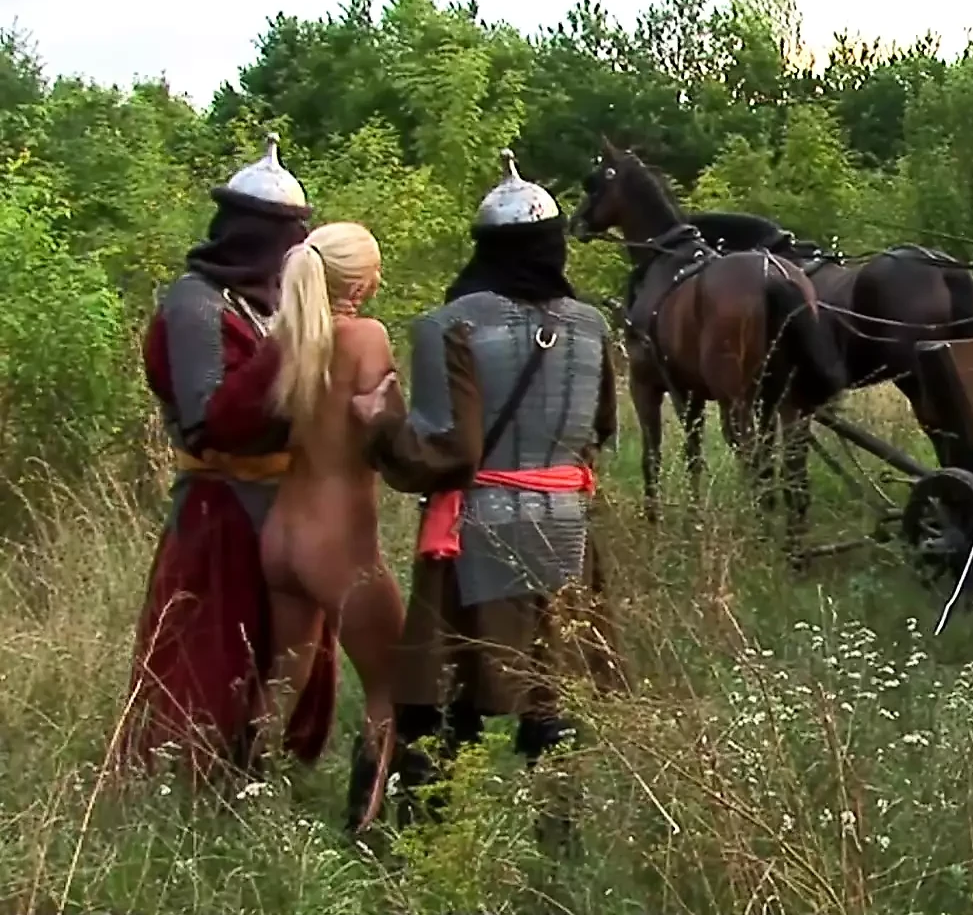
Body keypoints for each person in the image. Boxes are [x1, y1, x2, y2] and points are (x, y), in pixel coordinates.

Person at [352, 150, 623, 840]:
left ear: (486, 247)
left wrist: (379, 429)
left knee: (444, 698)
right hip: (568, 530)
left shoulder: (452, 323)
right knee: (553, 697)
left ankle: (426, 843)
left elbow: (449, 451)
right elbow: (598, 433)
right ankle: (558, 843)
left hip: (478, 531)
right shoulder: (593, 327)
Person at [119, 133, 336, 780]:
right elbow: (211, 420)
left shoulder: (267, 301)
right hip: (219, 510)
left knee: (282, 657)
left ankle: (260, 777)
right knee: (207, 659)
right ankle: (186, 789)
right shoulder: (195, 302)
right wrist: (290, 346)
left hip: (282, 509)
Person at [257, 221, 408, 833]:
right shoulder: (365, 336)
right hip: (339, 538)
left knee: (279, 680)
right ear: (362, 281)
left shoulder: (285, 337)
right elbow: (386, 429)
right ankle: (366, 823)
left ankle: (249, 796)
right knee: (392, 683)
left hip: (282, 535)